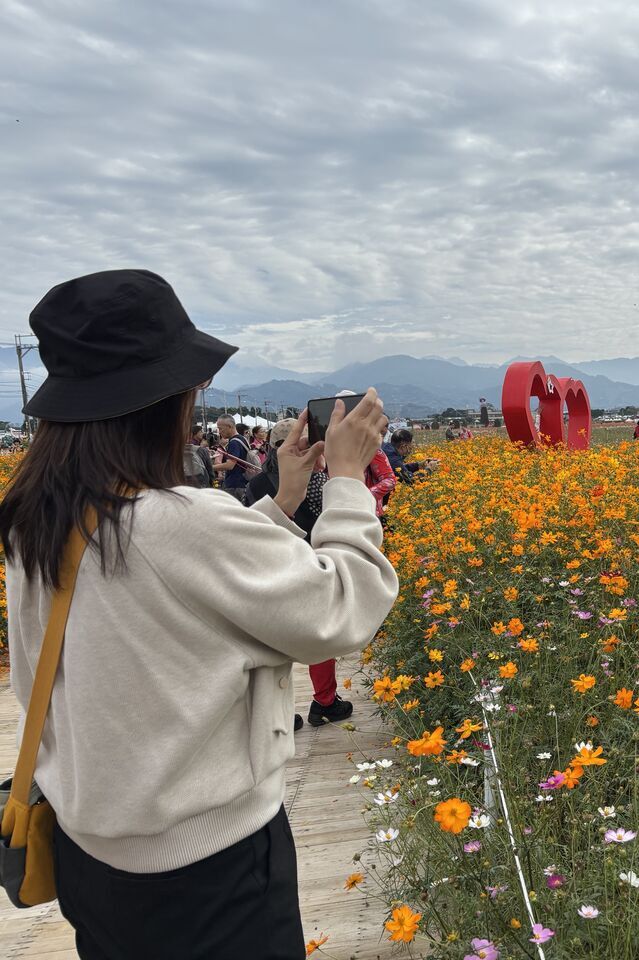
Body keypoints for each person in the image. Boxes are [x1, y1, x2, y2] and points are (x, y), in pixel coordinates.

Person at [0, 269, 397, 959]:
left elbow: (175, 598)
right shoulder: (179, 525)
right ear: (161, 401)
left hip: (90, 859)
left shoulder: (40, 516)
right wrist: (345, 481)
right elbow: (345, 606)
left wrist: (278, 503)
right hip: (207, 876)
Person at [246, 419, 354, 730]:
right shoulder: (315, 478)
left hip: (268, 566)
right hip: (309, 562)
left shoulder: (256, 483)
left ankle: (277, 713)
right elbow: (329, 518)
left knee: (269, 645)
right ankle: (324, 702)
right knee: (319, 638)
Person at [212, 414, 253, 501]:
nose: (219, 432)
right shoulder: (242, 439)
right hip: (243, 482)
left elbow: (230, 465)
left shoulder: (234, 442)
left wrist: (210, 467)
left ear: (229, 426)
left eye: (220, 428)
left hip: (235, 485)